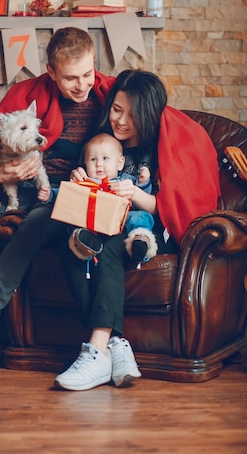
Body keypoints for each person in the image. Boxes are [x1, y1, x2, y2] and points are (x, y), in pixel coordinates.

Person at [0, 26, 132, 377]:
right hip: (18, 192)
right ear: (51, 71)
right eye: (71, 78)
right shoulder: (24, 94)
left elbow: (148, 120)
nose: (82, 84)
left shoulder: (109, 98)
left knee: (34, 225)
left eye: (88, 73)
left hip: (66, 197)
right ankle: (0, 335)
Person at [54, 69, 221, 391]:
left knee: (108, 242)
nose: (121, 122)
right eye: (116, 110)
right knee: (74, 240)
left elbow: (182, 208)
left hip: (144, 232)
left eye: (132, 115)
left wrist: (142, 198)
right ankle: (116, 347)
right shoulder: (102, 144)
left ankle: (98, 347)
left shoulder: (164, 147)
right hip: (98, 226)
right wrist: (80, 181)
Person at [39, 132, 158, 267]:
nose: (99, 165)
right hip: (92, 220)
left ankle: (140, 240)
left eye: (105, 158)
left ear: (120, 163)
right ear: (85, 163)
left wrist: (143, 182)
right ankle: (85, 244)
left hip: (120, 219)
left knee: (140, 216)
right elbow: (67, 194)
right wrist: (50, 195)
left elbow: (141, 195)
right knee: (75, 221)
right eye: (93, 159)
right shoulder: (86, 181)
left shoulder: (125, 180)